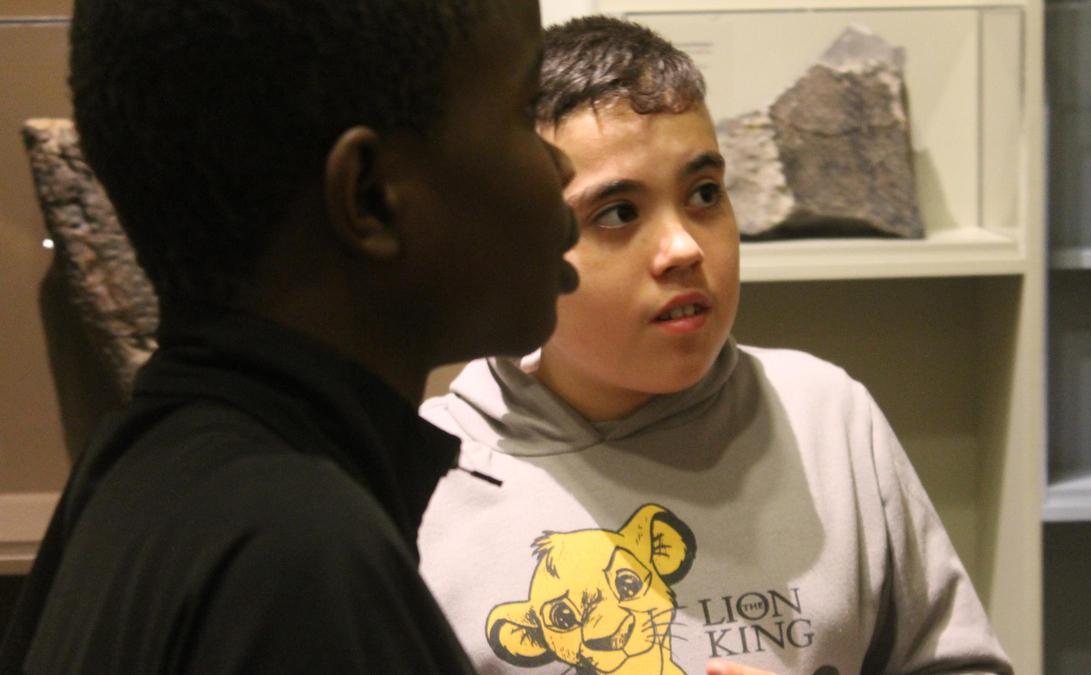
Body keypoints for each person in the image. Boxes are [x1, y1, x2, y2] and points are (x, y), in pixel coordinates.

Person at [417, 16, 1014, 675]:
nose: (684, 249)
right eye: (618, 213)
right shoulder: (429, 476)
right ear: (520, 239)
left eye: (704, 194)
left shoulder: (827, 416)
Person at [0, 0, 579, 672]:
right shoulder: (300, 554)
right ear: (370, 197)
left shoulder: (138, 472)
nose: (562, 167)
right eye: (526, 109)